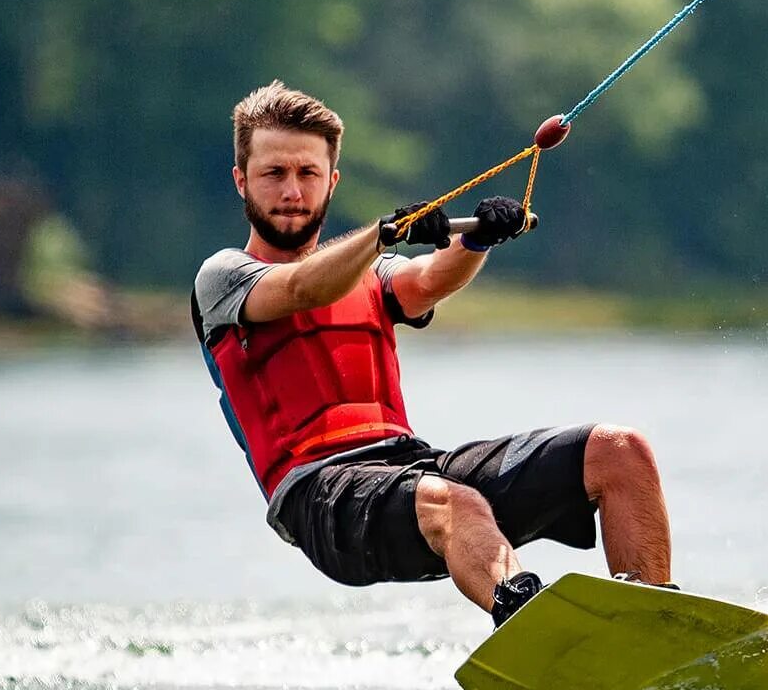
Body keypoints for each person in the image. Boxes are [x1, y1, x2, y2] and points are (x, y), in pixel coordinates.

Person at [192, 81, 677, 627]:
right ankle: (537, 627)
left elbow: (424, 282)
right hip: (320, 498)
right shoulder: (223, 277)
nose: (292, 190)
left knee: (619, 451)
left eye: (307, 174)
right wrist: (382, 235)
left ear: (332, 180)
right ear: (242, 181)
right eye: (274, 173)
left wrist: (476, 240)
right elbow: (303, 289)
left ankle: (652, 630)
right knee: (457, 502)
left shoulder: (368, 272)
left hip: (407, 465)